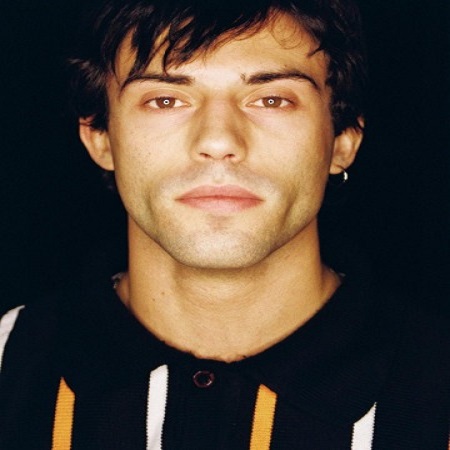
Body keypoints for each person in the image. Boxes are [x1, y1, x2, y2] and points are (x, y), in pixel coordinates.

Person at [0, 0, 448, 448]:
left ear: (342, 141)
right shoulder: (10, 363)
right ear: (100, 137)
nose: (218, 141)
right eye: (165, 100)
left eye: (271, 100)